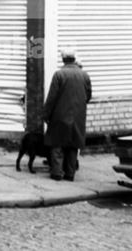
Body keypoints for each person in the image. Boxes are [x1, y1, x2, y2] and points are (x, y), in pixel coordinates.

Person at [43, 48, 91, 181]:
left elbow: (52, 97)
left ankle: (57, 173)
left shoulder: (59, 75)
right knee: (73, 145)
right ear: (74, 59)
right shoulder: (84, 75)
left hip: (60, 115)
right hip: (78, 116)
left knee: (57, 144)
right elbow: (88, 96)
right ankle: (70, 174)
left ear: (63, 59)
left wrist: (46, 114)